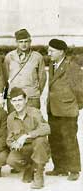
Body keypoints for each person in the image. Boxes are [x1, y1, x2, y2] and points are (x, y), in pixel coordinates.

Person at [45, 38, 82, 181]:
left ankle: (74, 170)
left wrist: (75, 105)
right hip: (53, 109)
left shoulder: (72, 66)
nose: (49, 53)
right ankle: (59, 168)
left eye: (52, 51)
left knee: (69, 139)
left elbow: (80, 89)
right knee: (54, 138)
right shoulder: (53, 64)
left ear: (61, 52)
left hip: (67, 110)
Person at [6, 87, 51, 189]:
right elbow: (9, 139)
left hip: (37, 148)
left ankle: (39, 174)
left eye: (20, 100)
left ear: (25, 100)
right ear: (11, 102)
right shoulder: (10, 118)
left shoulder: (34, 112)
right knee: (11, 160)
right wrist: (14, 144)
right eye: (14, 101)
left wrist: (26, 136)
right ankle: (29, 169)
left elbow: (46, 128)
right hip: (23, 149)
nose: (17, 103)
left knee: (40, 141)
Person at [4, 29, 46, 112]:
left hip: (31, 98)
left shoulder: (37, 57)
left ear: (30, 42)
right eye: (21, 42)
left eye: (26, 41)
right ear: (16, 42)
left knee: (32, 122)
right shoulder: (9, 56)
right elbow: (5, 76)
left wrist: (35, 91)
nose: (23, 44)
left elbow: (42, 78)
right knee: (14, 122)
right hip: (14, 97)